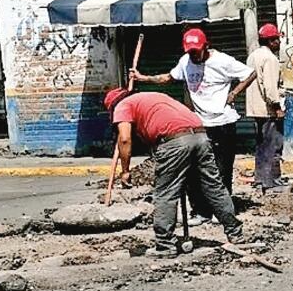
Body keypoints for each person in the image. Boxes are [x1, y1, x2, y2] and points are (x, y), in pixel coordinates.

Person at [130, 28, 256, 224]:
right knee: (194, 171)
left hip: (223, 122)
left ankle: (221, 212)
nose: (193, 55)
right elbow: (167, 78)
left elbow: (250, 73)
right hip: (198, 125)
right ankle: (201, 211)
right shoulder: (185, 61)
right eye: (189, 51)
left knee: (222, 170)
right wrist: (143, 78)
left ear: (206, 46)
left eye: (196, 51)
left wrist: (234, 93)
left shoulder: (223, 61)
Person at [103, 88, 247, 258]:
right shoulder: (155, 96)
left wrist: (125, 171)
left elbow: (125, 138)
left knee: (166, 193)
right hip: (200, 135)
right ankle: (236, 234)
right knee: (214, 186)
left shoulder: (122, 105)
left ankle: (165, 245)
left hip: (174, 140)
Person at [246, 23, 288, 193]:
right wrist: (277, 107)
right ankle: (272, 180)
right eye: (276, 39)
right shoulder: (270, 59)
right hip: (268, 109)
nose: (279, 42)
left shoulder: (253, 56)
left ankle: (260, 178)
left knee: (262, 145)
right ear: (271, 41)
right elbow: (270, 88)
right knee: (273, 144)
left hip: (256, 109)